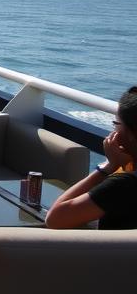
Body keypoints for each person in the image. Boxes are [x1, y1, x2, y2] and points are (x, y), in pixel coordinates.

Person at [46, 87, 137, 229]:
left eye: (116, 124)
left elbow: (54, 219)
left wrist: (108, 166)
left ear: (132, 132)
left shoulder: (124, 184)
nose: (113, 132)